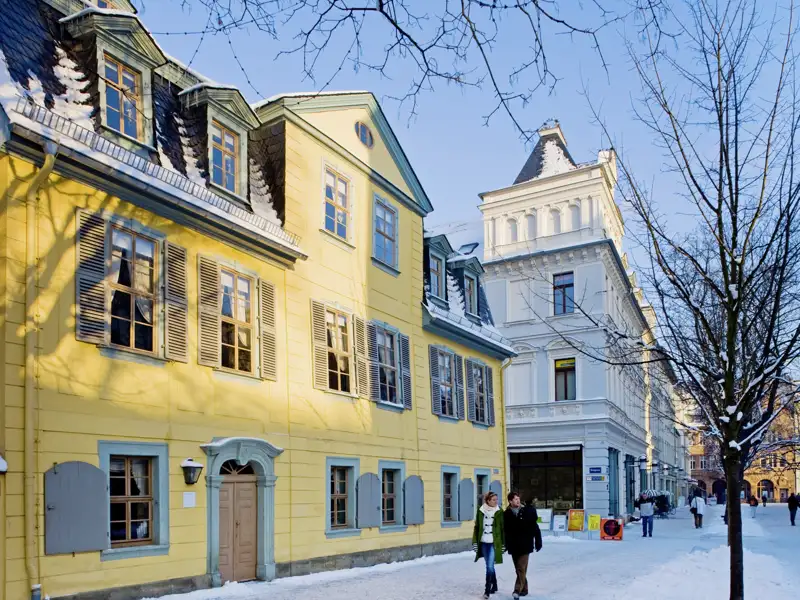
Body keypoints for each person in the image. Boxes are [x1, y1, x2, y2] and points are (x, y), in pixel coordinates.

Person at [504, 492, 542, 600]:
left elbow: (535, 527)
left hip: (526, 544)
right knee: (519, 569)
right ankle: (524, 589)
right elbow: (505, 531)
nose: (517, 501)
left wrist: (538, 541)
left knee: (521, 567)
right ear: (510, 501)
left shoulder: (527, 511)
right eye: (515, 499)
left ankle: (516, 590)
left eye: (518, 499)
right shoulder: (506, 514)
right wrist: (505, 544)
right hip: (514, 546)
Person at [473, 491, 505, 599]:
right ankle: (495, 585)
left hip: (493, 542)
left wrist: (504, 544)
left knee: (489, 566)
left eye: (497, 499)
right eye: (494, 500)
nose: (496, 501)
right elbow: (477, 527)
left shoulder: (500, 512)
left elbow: (503, 529)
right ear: (488, 501)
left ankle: (487, 590)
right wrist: (474, 542)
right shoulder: (481, 511)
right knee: (489, 565)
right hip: (483, 542)